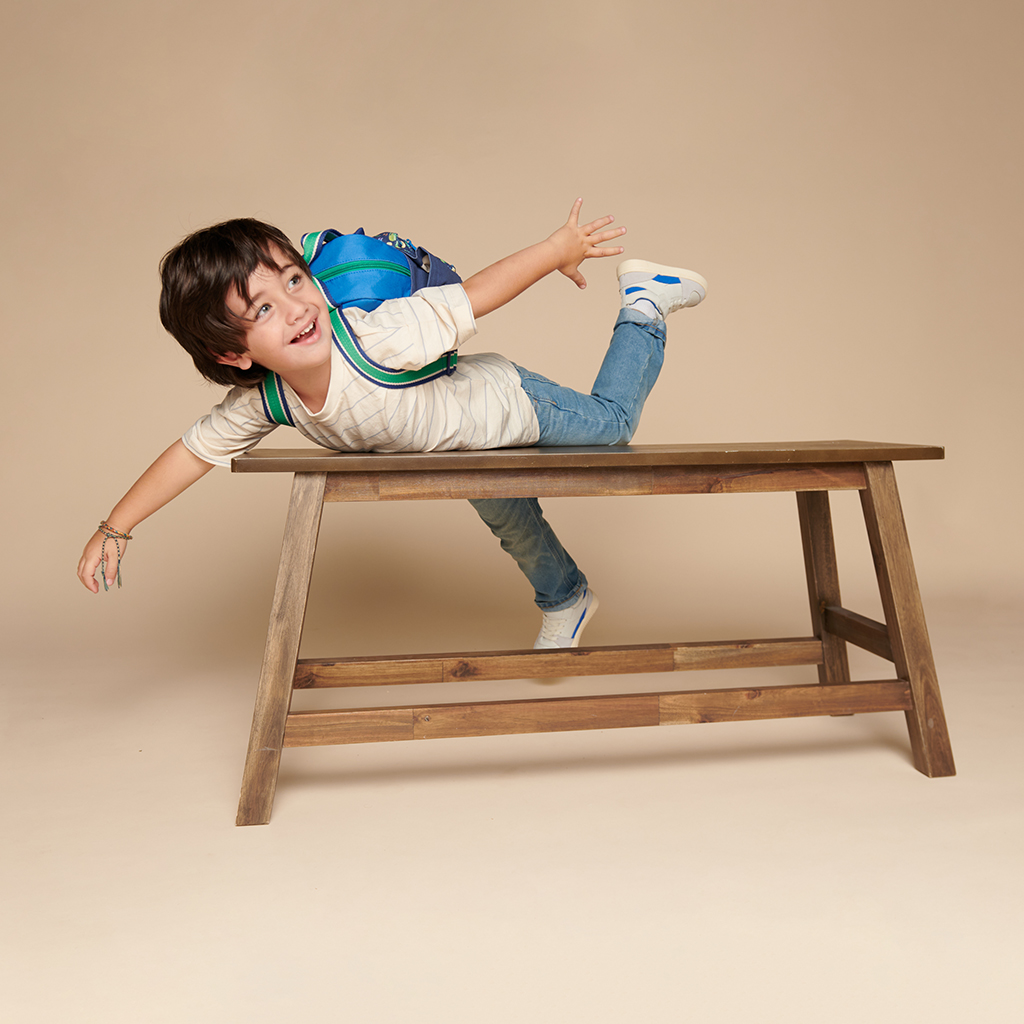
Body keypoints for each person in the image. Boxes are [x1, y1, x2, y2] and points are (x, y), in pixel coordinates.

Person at [77, 199, 707, 649]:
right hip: (461, 453)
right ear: (232, 353)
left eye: (295, 279)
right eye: (264, 308)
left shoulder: (379, 337)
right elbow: (192, 452)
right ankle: (567, 600)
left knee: (614, 426)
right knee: (513, 524)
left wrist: (554, 250)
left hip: (508, 404)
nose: (297, 307)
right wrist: (117, 526)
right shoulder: (271, 400)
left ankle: (646, 301)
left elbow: (477, 294)